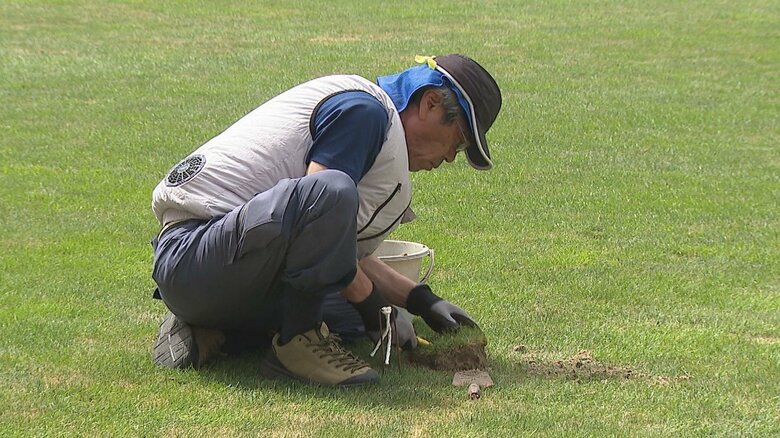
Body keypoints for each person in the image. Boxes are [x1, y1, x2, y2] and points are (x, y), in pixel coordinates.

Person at [149, 54, 502, 387]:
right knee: (332, 191)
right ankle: (296, 346)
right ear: (430, 104)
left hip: (223, 266)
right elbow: (321, 207)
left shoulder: (376, 125)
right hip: (192, 255)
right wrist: (373, 306)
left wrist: (420, 299)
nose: (450, 159)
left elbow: (337, 252)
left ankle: (210, 332)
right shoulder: (366, 112)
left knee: (347, 317)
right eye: (457, 142)